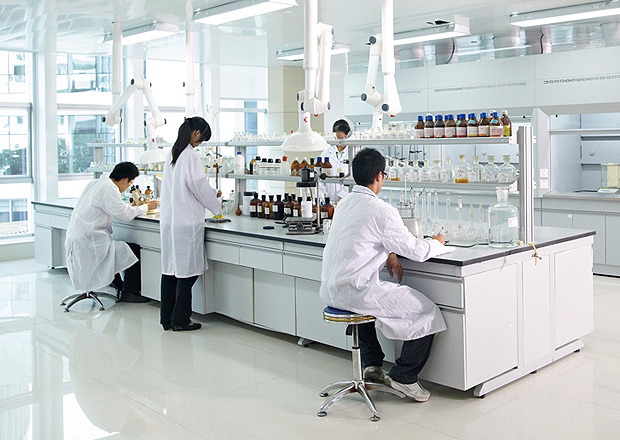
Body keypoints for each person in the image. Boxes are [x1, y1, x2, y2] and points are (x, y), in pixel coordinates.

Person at [319, 148, 449, 402]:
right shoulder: (382, 209)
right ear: (380, 176)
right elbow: (417, 251)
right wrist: (438, 242)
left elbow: (362, 237)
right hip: (356, 291)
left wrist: (390, 252)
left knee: (366, 309)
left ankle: (371, 366)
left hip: (332, 290)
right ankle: (404, 376)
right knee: (427, 311)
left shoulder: (345, 203)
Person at [159, 117, 221, 332]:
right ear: (196, 133)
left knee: (170, 271)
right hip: (186, 223)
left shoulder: (173, 153)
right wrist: (216, 205)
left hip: (170, 221)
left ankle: (167, 318)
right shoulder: (190, 156)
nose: (200, 143)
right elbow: (199, 187)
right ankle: (181, 320)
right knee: (187, 273)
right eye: (202, 138)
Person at [65, 162, 158, 303]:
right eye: (130, 182)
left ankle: (119, 285)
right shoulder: (110, 188)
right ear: (125, 179)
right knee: (132, 250)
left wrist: (131, 207)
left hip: (80, 237)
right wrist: (146, 207)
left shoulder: (97, 183)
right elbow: (125, 214)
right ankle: (129, 292)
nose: (129, 187)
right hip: (91, 241)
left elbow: (112, 207)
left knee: (117, 252)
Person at [318, 119, 352, 204]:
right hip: (327, 200)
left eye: (340, 137)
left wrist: (341, 198)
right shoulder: (326, 152)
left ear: (347, 135)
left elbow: (353, 178)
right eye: (337, 136)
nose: (338, 139)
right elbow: (319, 177)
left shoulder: (352, 153)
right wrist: (325, 198)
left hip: (346, 200)